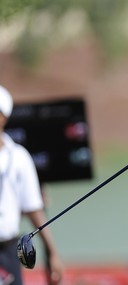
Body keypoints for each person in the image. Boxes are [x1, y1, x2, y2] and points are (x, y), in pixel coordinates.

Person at [0, 85, 63, 285]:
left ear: (3, 117)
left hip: (7, 252)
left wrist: (52, 253)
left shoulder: (18, 157)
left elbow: (33, 208)